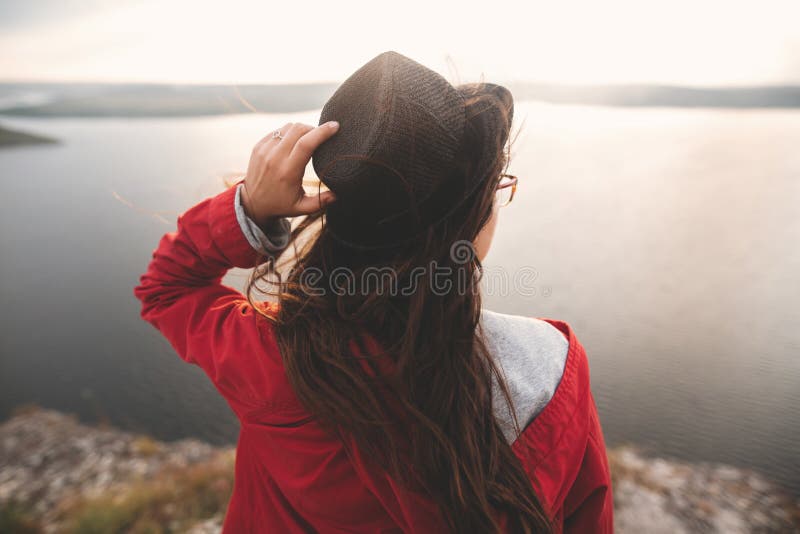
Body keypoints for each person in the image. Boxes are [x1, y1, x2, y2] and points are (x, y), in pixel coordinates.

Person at [134, 51, 613, 533]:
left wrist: (250, 207)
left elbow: (164, 290)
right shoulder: (550, 369)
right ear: (466, 226)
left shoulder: (272, 353)